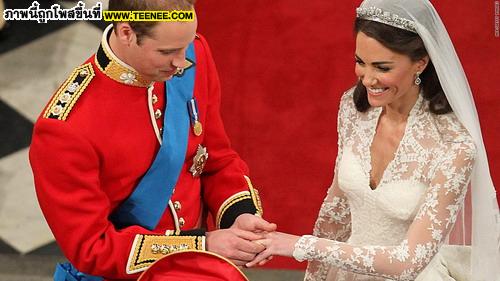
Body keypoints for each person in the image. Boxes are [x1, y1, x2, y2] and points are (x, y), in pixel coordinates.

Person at [246, 0, 500, 280]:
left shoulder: (455, 147)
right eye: (360, 62)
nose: (367, 79)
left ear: (421, 63)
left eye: (382, 67)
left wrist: (301, 245)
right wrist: (316, 277)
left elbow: (408, 262)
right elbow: (337, 210)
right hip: (346, 273)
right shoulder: (353, 110)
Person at [29, 0, 275, 280]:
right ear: (126, 33)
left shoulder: (193, 53)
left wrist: (238, 217)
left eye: (185, 47)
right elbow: (92, 248)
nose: (182, 63)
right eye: (167, 51)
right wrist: (201, 244)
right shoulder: (65, 128)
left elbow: (216, 160)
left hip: (203, 268)